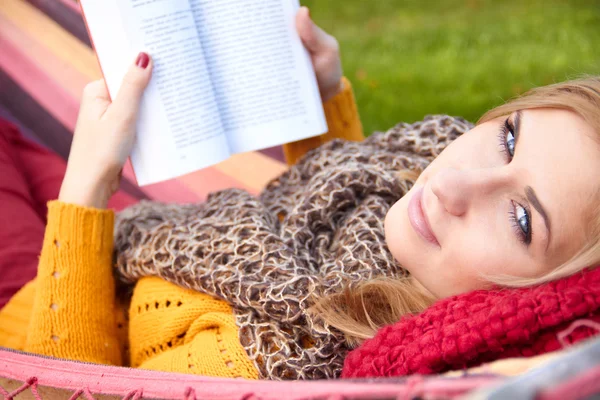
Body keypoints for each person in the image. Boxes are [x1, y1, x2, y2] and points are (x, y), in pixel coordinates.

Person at [1, 7, 600, 380]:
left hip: (29, 322)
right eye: (509, 137)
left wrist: (86, 189)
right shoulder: (412, 216)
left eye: (521, 218)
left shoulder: (280, 355)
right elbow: (339, 217)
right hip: (96, 260)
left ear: (548, 298)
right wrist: (321, 104)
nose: (455, 187)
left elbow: (62, 386)